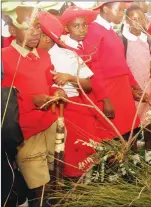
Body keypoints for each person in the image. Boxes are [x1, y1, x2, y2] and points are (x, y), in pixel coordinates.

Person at [1, 5, 67, 206]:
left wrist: (57, 91)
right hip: (25, 132)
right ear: (12, 31)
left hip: (50, 123)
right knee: (37, 183)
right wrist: (32, 100)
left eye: (37, 27)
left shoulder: (44, 55)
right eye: (27, 27)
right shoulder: (4, 57)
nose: (34, 32)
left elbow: (50, 82)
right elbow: (3, 100)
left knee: (53, 174)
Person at [37, 11, 98, 178]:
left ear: (47, 37)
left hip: (72, 110)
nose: (34, 37)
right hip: (48, 111)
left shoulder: (67, 55)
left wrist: (70, 77)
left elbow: (88, 84)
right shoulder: (36, 56)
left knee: (74, 159)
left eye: (38, 34)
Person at [83, 1, 146, 159]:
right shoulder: (93, 30)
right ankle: (113, 175)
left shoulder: (110, 29)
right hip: (109, 90)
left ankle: (128, 168)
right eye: (119, 10)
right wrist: (104, 98)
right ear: (105, 9)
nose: (122, 14)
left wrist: (134, 85)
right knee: (111, 135)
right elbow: (93, 68)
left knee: (128, 131)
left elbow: (121, 62)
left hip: (122, 89)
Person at [123, 5, 151, 164]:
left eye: (141, 19)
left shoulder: (148, 38)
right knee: (133, 122)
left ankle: (149, 152)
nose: (137, 22)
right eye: (134, 19)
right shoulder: (123, 39)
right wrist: (129, 88)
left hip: (147, 86)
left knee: (148, 120)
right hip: (130, 89)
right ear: (127, 20)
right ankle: (135, 155)